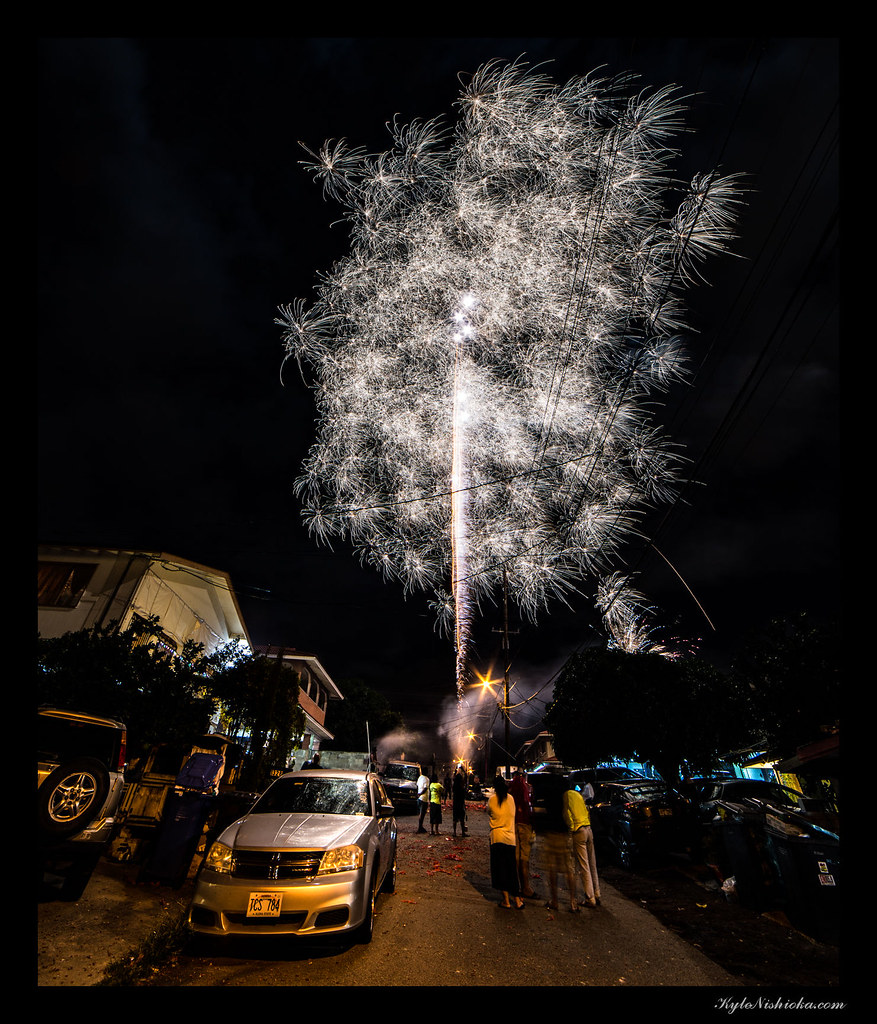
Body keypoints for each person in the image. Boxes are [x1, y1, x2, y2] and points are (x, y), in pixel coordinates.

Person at [487, 775, 524, 909]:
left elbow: (489, 813)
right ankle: (518, 901)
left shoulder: (492, 800)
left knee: (500, 870)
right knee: (511, 870)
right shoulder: (511, 799)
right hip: (510, 839)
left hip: (497, 838)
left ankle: (506, 901)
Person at [563, 779, 601, 908]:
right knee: (592, 863)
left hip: (579, 831)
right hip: (588, 828)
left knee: (583, 865)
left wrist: (572, 830)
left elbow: (567, 815)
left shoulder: (565, 796)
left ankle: (590, 897)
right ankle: (597, 893)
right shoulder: (578, 795)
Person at [541, 775, 577, 912]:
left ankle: (555, 900)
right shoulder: (564, 795)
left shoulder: (547, 795)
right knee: (568, 869)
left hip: (551, 833)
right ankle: (573, 901)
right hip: (562, 831)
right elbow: (565, 813)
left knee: (552, 869)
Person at [508, 769, 536, 898]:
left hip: (514, 823)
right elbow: (528, 804)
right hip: (524, 823)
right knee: (524, 858)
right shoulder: (524, 786)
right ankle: (526, 887)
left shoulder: (512, 788)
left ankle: (516, 885)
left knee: (517, 857)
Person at [452, 767, 468, 837]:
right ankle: (463, 833)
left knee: (455, 818)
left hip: (455, 803)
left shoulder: (454, 787)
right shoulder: (462, 788)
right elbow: (466, 779)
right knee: (462, 818)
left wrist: (455, 771)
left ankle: (454, 832)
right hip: (461, 804)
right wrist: (464, 771)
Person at [416, 766, 430, 833]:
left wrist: (418, 794)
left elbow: (418, 785)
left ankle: (420, 827)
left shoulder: (420, 777)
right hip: (424, 798)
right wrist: (421, 793)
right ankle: (420, 827)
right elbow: (425, 788)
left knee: (420, 813)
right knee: (422, 814)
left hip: (419, 798)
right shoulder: (426, 779)